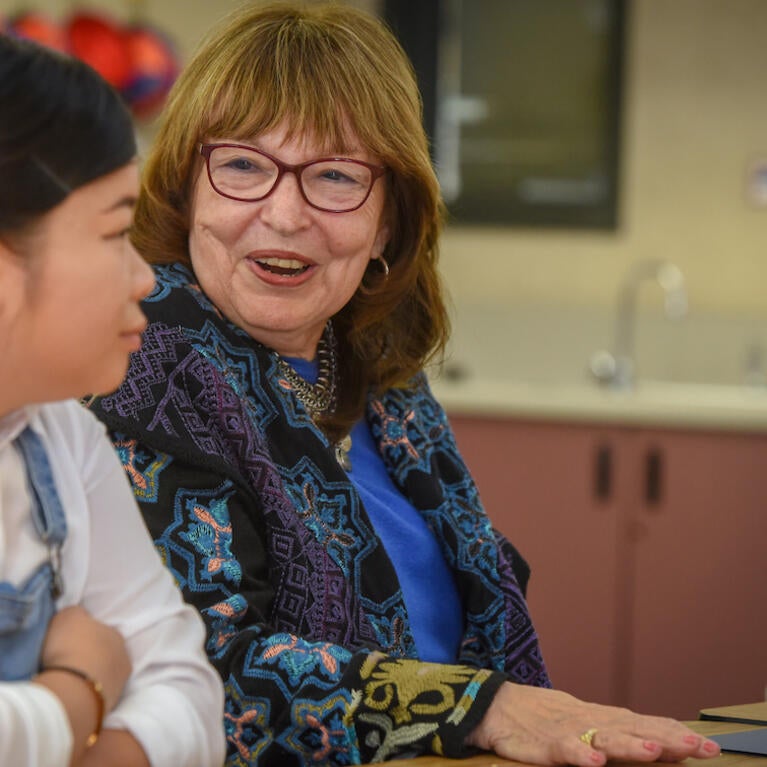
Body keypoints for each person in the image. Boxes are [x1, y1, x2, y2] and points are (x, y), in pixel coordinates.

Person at [88, 3, 721, 766]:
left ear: (388, 221)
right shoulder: (139, 364)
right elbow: (200, 674)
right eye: (245, 165)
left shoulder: (382, 374)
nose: (283, 214)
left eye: (334, 175)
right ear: (189, 187)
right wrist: (477, 708)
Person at [0, 34, 226, 767]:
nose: (145, 279)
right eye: (112, 232)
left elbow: (188, 689)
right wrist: (82, 686)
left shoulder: (61, 432)